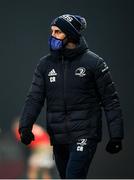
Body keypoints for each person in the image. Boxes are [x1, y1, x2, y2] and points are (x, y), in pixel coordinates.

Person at [19, 14, 124, 179]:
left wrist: (116, 135)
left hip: (85, 134)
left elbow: (111, 101)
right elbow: (34, 98)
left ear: (71, 34)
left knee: (73, 176)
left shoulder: (94, 63)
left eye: (58, 32)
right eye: (52, 31)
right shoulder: (45, 65)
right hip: (58, 136)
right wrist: (25, 127)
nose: (52, 35)